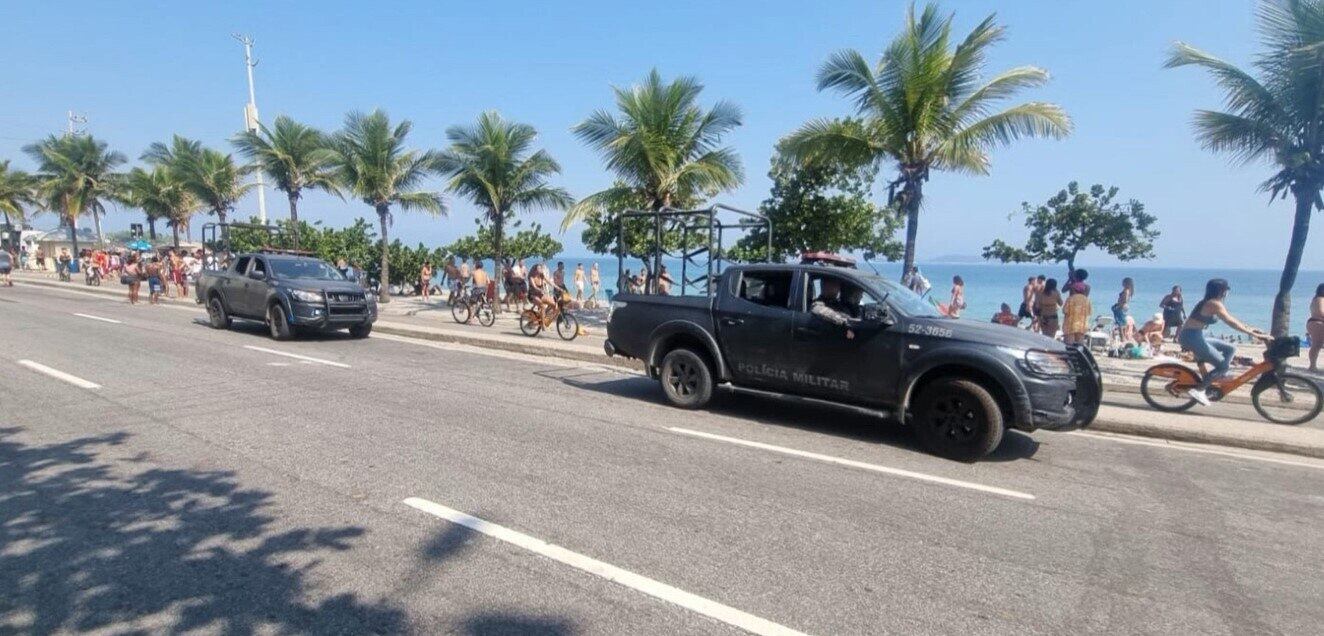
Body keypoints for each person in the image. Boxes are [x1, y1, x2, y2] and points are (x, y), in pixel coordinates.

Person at [1179, 278, 1270, 406]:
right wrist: (1252, 334)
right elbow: (1230, 322)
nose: (1227, 293)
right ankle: (1200, 390)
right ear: (1222, 291)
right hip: (1191, 337)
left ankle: (1218, 376)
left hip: (1196, 335)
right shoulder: (1213, 304)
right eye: (1226, 290)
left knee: (1230, 348)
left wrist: (1254, 330)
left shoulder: (1212, 302)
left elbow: (1233, 319)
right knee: (1223, 366)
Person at [1308, 283, 1324, 372]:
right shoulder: (1320, 299)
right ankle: (1312, 365)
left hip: (1314, 322)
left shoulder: (1316, 299)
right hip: (1318, 323)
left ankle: (1312, 365)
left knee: (1317, 345)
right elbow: (1321, 312)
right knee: (1316, 345)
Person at [1112, 277, 1135, 342]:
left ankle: (1122, 338)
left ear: (1126, 283)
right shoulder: (1127, 290)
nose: (1122, 283)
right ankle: (1123, 337)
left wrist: (1119, 306)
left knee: (1120, 323)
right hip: (1122, 306)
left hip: (1121, 307)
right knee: (1122, 322)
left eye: (1123, 282)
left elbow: (1125, 300)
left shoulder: (1126, 290)